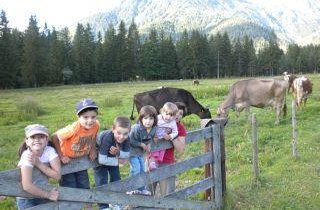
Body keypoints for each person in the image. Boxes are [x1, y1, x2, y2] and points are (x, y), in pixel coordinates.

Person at [52, 98, 99, 190]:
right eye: (85, 117)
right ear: (78, 116)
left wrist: (93, 149)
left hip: (81, 159)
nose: (90, 121)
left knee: (84, 183)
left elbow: (93, 136)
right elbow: (54, 137)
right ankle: (71, 204)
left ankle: (86, 204)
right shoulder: (73, 129)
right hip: (67, 161)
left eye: (93, 117)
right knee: (70, 185)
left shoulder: (96, 125)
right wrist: (61, 156)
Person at [16, 124, 61, 210]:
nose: (37, 139)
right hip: (26, 198)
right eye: (33, 137)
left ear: (47, 139)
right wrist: (48, 195)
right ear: (27, 141)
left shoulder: (49, 151)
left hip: (43, 192)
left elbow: (57, 176)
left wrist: (39, 164)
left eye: (41, 136)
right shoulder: (27, 156)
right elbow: (27, 186)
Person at [94, 116, 131, 210]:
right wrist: (118, 161)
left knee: (116, 179)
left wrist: (118, 153)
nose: (122, 137)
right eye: (118, 133)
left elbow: (127, 154)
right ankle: (103, 206)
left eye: (125, 134)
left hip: (112, 157)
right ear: (113, 129)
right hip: (100, 158)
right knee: (102, 181)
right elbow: (101, 160)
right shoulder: (107, 137)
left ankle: (115, 202)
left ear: (129, 131)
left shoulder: (127, 138)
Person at [151, 102, 187, 199]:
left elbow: (181, 149)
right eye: (177, 113)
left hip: (167, 161)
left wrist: (172, 137)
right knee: (148, 188)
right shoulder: (158, 120)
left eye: (181, 114)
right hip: (152, 159)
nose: (178, 116)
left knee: (168, 193)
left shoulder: (179, 128)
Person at [128, 105, 158, 195]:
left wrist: (149, 144)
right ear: (141, 119)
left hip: (140, 153)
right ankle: (131, 187)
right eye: (145, 118)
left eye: (151, 118)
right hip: (132, 152)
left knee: (142, 170)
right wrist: (140, 144)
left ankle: (141, 189)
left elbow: (150, 138)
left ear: (155, 119)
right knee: (135, 169)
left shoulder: (153, 129)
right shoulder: (136, 128)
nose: (148, 121)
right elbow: (129, 139)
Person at [148, 102, 178, 171]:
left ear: (174, 116)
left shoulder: (173, 123)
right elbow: (151, 125)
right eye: (167, 114)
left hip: (163, 139)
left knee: (161, 151)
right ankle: (152, 163)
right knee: (153, 152)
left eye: (171, 115)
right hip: (155, 138)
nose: (169, 117)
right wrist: (153, 134)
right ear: (162, 112)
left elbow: (175, 132)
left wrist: (170, 136)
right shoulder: (158, 118)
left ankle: (156, 163)